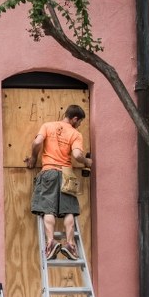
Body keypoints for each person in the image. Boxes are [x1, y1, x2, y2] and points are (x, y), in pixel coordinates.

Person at [25, 104, 93, 261]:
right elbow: (77, 155)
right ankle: (70, 244)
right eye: (80, 121)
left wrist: (34, 158)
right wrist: (87, 161)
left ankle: (51, 243)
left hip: (49, 171)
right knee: (69, 210)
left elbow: (37, 143)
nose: (80, 125)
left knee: (47, 209)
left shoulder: (48, 126)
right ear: (75, 119)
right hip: (66, 173)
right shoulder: (75, 134)